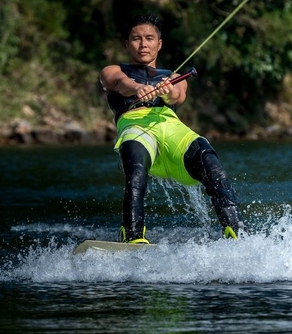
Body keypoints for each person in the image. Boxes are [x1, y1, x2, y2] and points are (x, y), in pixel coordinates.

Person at [99, 14, 247, 244]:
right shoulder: (113, 70)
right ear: (127, 44)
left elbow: (178, 95)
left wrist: (167, 92)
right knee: (136, 171)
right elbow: (119, 83)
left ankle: (235, 232)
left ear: (159, 44)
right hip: (136, 126)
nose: (143, 44)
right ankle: (133, 234)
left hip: (170, 127)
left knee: (210, 161)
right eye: (136, 39)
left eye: (149, 38)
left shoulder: (174, 77)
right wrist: (139, 88)